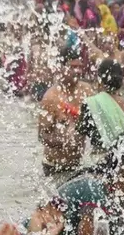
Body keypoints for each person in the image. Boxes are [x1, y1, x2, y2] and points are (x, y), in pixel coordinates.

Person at [38, 46, 94, 181]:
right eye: (73, 67)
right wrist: (65, 142)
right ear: (61, 68)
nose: (78, 71)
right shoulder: (51, 97)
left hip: (78, 164)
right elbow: (42, 135)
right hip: (54, 167)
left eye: (80, 66)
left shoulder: (87, 90)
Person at [77, 59, 124, 151]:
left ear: (100, 80)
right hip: (122, 160)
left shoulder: (90, 103)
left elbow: (80, 137)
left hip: (99, 160)